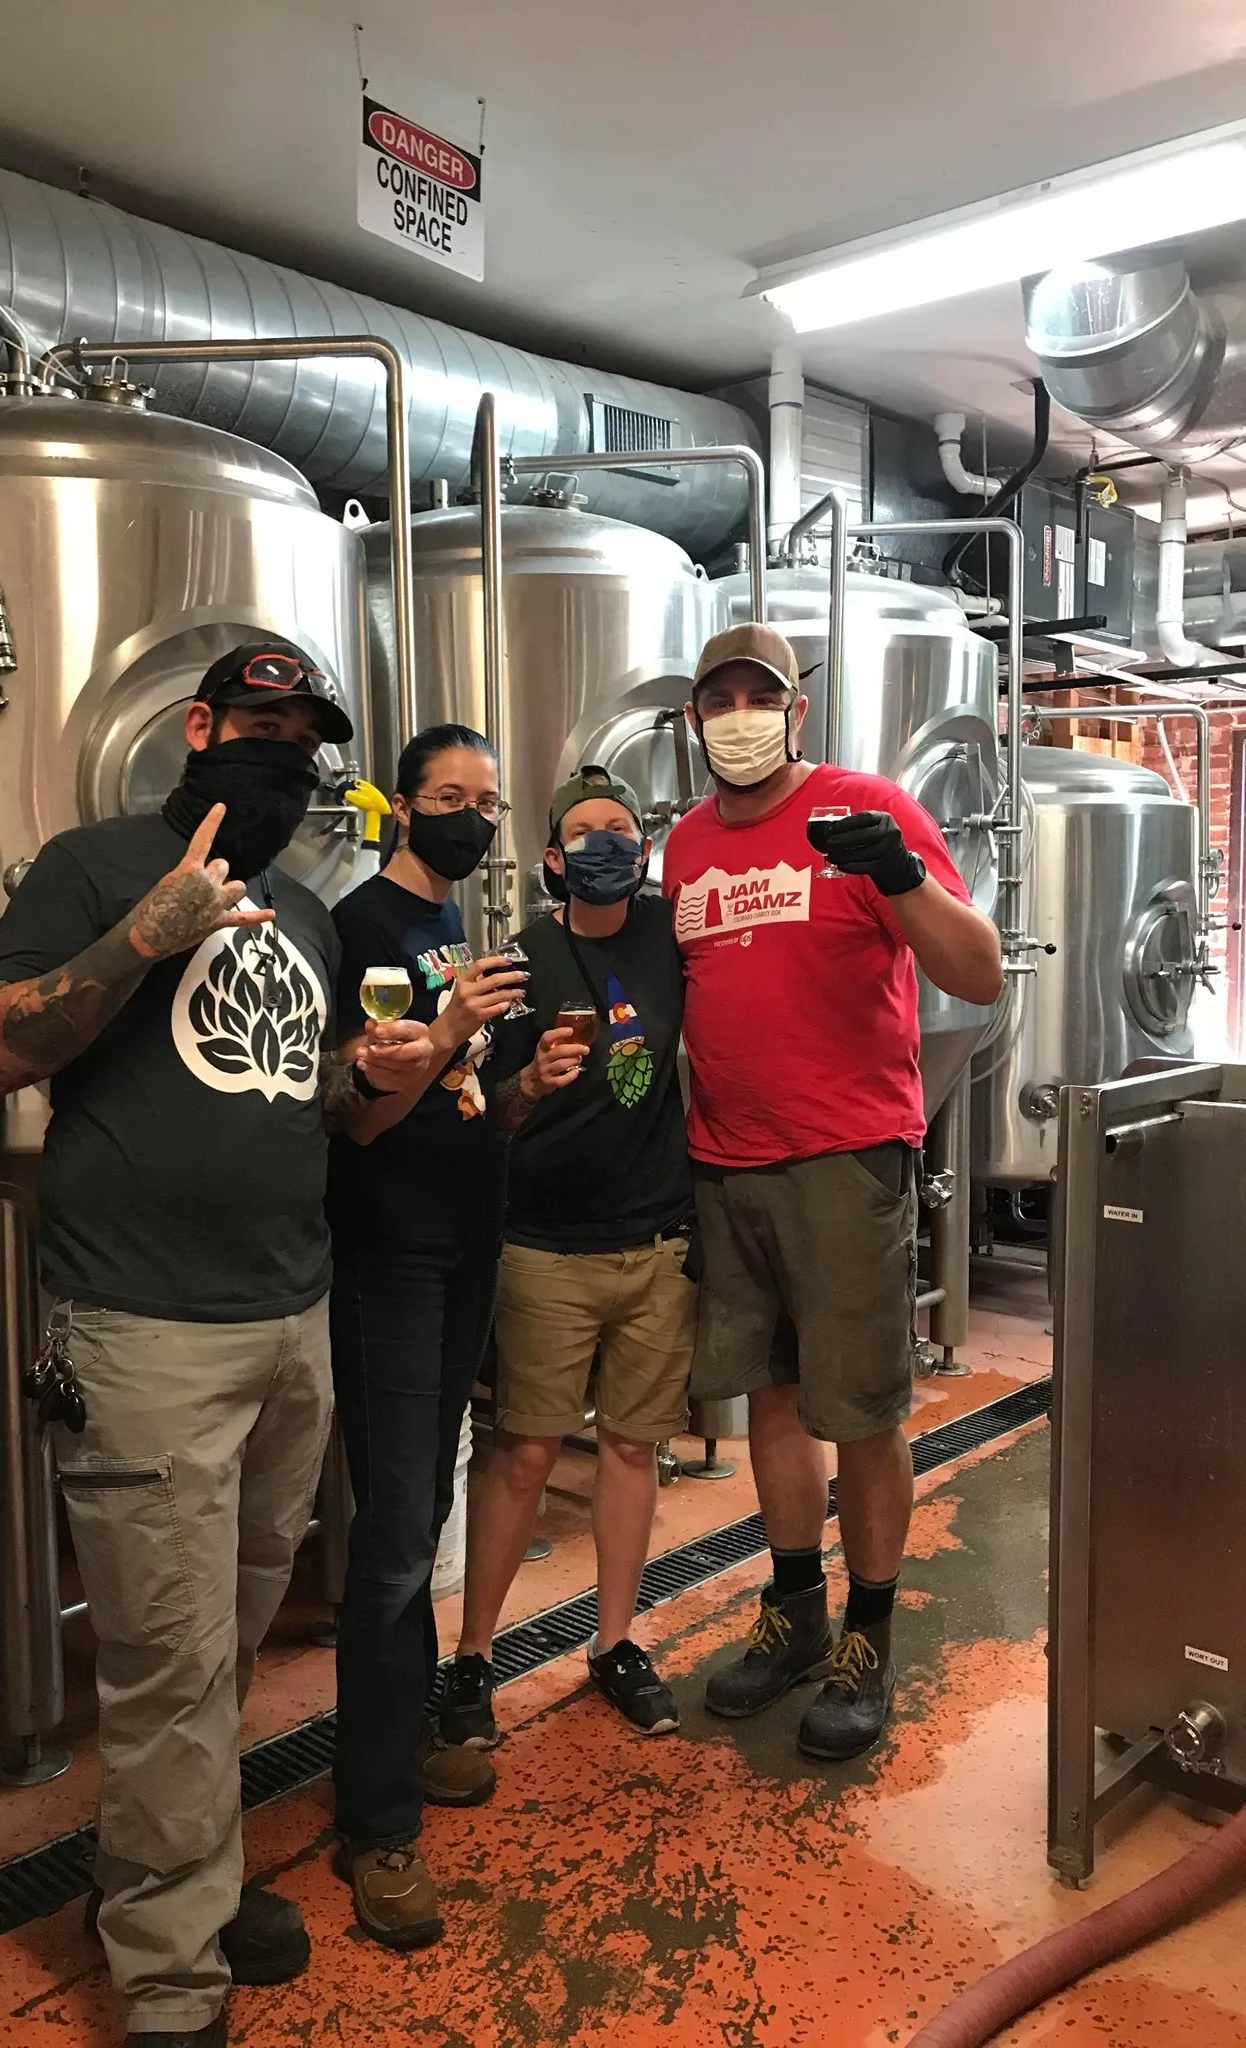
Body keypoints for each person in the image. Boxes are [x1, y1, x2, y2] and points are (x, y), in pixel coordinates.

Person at [0, 640, 438, 2048]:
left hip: (290, 1324)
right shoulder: (94, 866)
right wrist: (145, 935)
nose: (283, 753)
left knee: (220, 1651)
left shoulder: (307, 910)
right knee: (169, 1666)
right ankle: (170, 1979)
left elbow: (310, 1097)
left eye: (304, 737)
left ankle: (181, 1880)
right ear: (197, 726)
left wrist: (378, 1073)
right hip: (142, 1330)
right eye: (259, 724)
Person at [666, 623, 1003, 1762]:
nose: (740, 718)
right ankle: (796, 1609)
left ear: (796, 710)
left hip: (845, 1159)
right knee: (770, 1400)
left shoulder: (867, 811)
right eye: (719, 700)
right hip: (726, 1163)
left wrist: (899, 875)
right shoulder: (686, 844)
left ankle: (868, 1635)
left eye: (759, 697)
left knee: (858, 1412)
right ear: (694, 718)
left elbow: (977, 971)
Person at [327, 723, 586, 1951]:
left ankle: (402, 1741)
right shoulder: (362, 928)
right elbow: (360, 1120)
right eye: (449, 796)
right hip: (390, 1253)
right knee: (391, 1536)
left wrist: (533, 1085)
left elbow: (472, 1108)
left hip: (467, 1240)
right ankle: (374, 1818)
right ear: (402, 805)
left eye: (488, 802)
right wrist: (440, 1034)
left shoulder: (453, 931)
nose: (474, 817)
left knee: (424, 1505)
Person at [441, 763, 696, 1749]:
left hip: (658, 1241)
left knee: (633, 1446)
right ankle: (472, 1655)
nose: (606, 845)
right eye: (585, 833)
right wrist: (535, 1083)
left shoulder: (671, 937)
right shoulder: (520, 961)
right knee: (527, 1452)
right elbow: (487, 1112)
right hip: (545, 1248)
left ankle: (616, 1641)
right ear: (552, 856)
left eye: (621, 830)